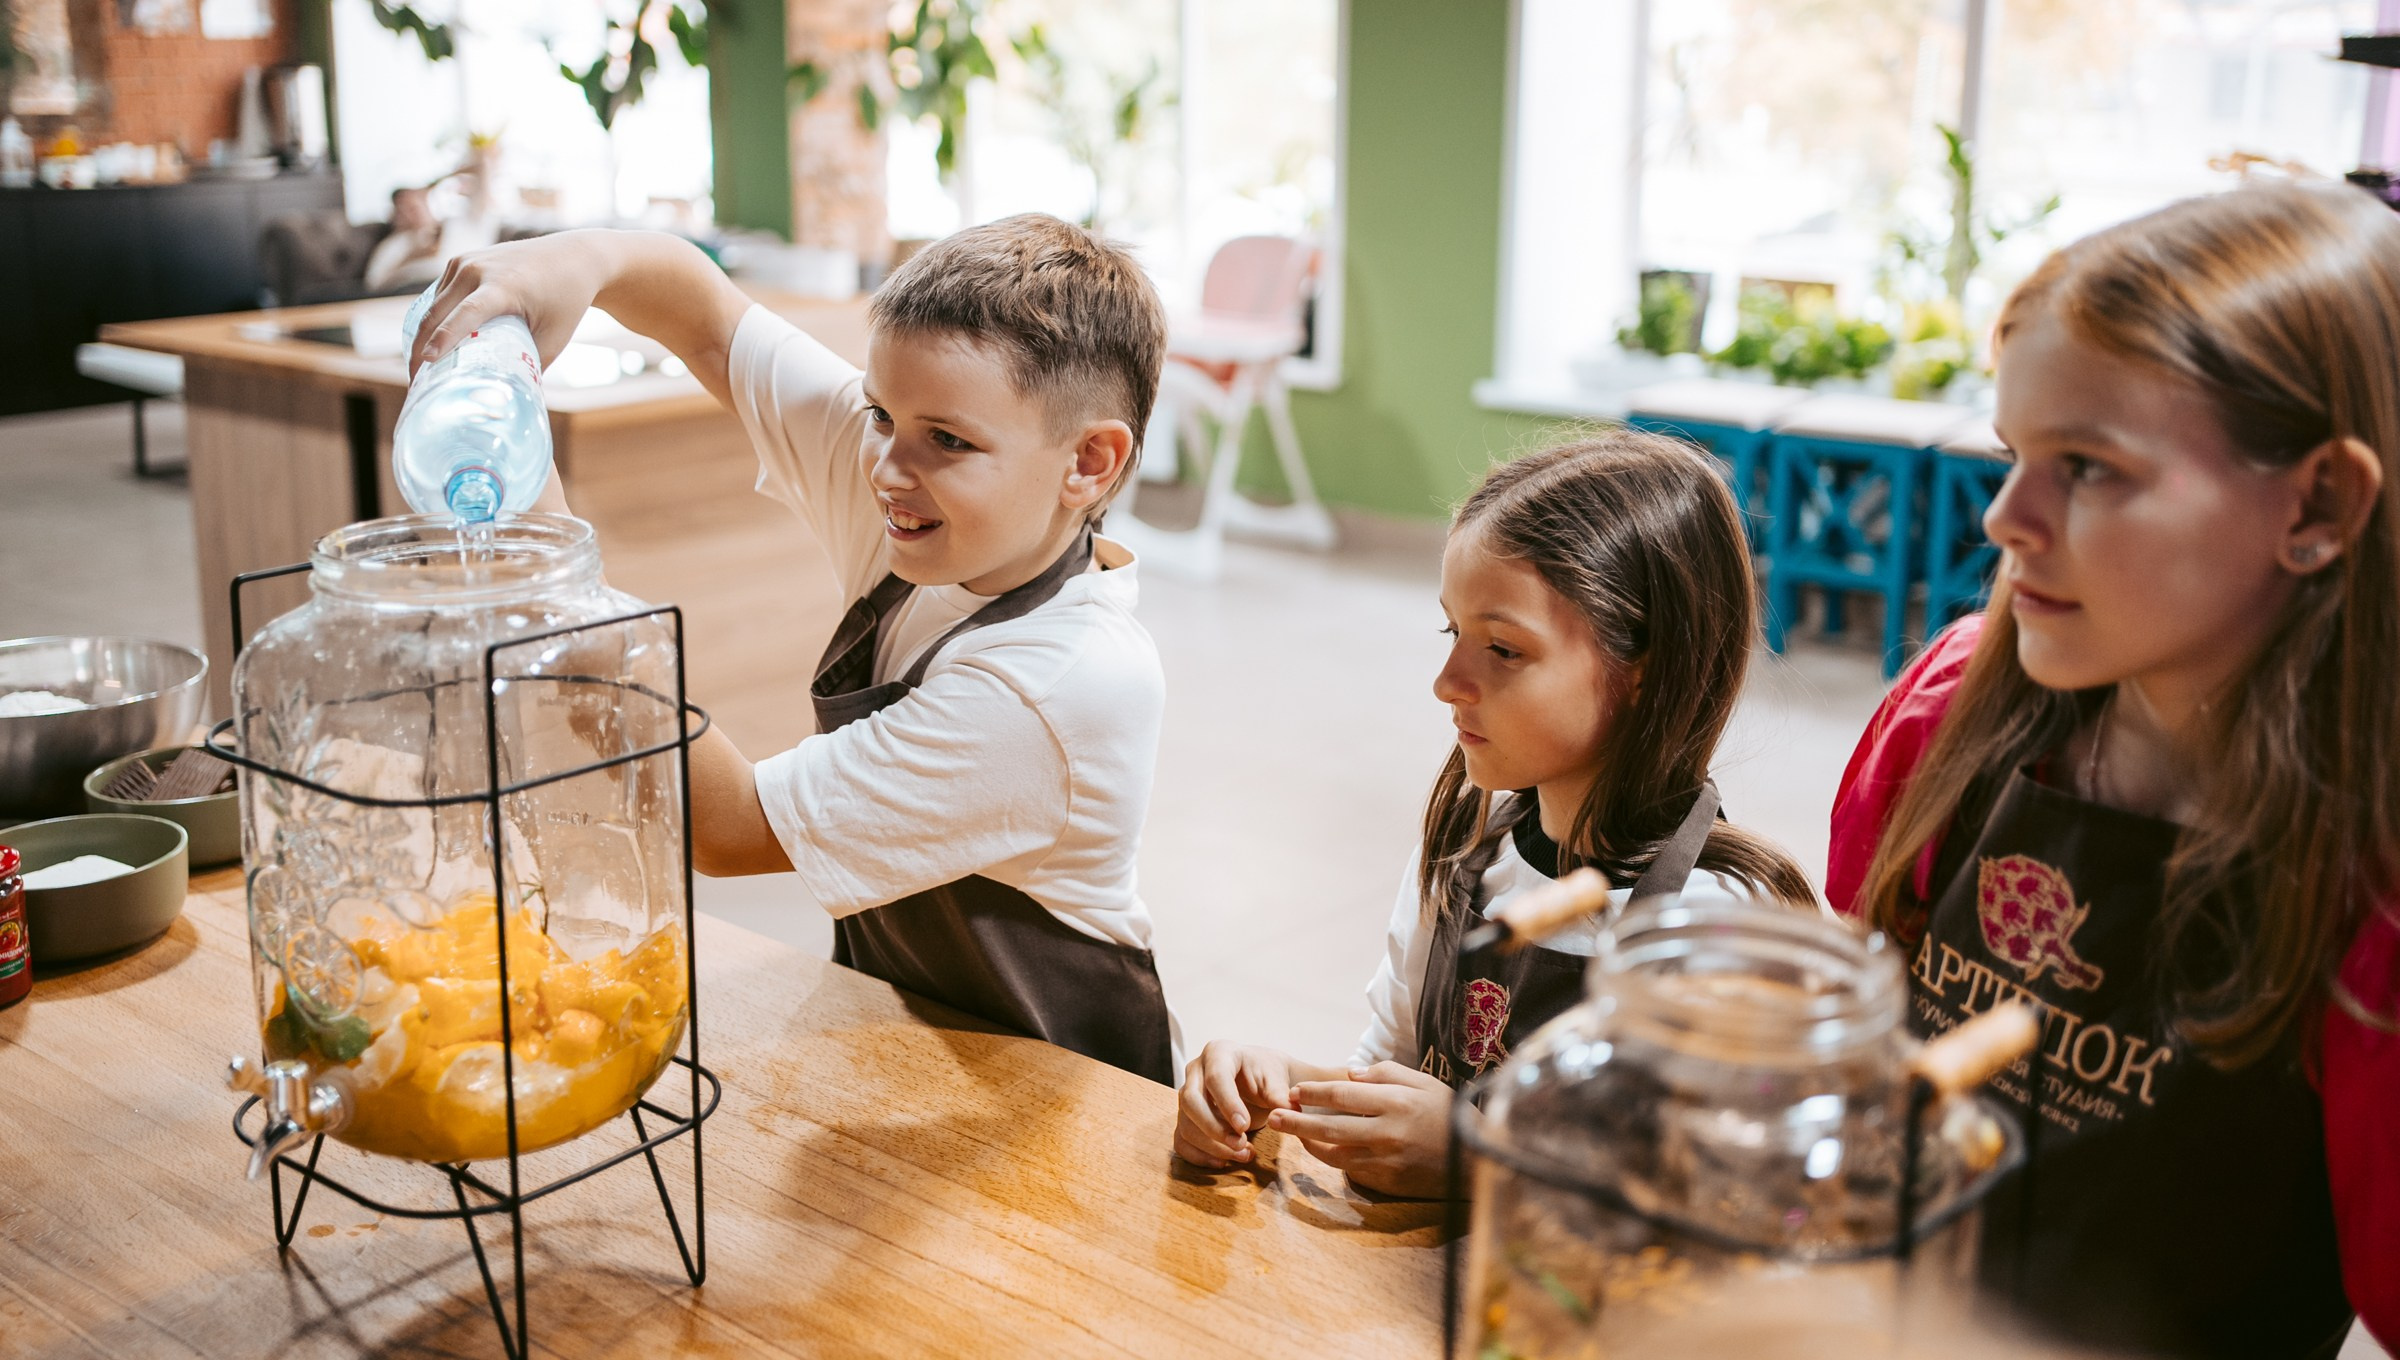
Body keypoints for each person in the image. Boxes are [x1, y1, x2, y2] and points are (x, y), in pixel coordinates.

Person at [1827, 183, 2400, 1358]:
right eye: (2016, 454)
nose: (2005, 518)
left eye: (2087, 468)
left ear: (2321, 502)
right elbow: (1854, 1030)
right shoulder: (1947, 714)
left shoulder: (2372, 896)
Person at [408, 215, 1180, 1083]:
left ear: (1090, 462)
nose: (886, 467)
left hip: (1065, 1089)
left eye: (948, 441)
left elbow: (731, 828)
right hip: (909, 1034)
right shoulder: (936, 505)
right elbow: (704, 319)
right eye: (881, 414)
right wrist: (570, 262)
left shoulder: (1057, 686)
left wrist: (565, 590)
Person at [1173, 433, 1816, 1195]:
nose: (1448, 681)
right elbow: (1392, 1073)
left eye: (1503, 650)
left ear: (1646, 669)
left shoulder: (1719, 926)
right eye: (1453, 632)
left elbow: (1713, 1203)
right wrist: (1275, 1087)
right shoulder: (1466, 844)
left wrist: (1481, 1159)